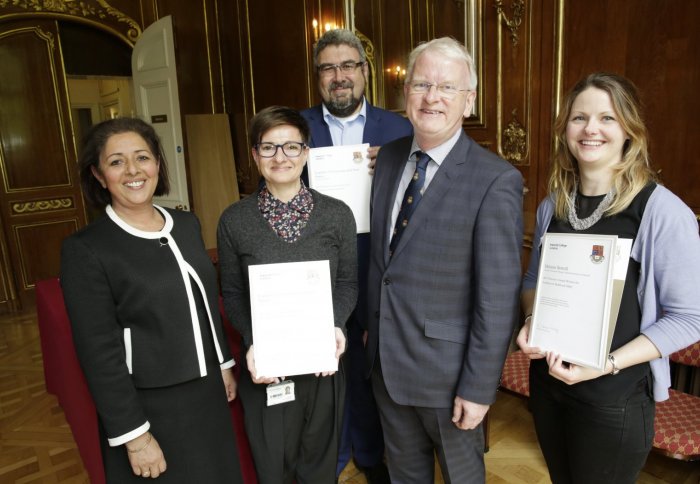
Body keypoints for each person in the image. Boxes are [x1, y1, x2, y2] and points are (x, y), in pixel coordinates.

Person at [517, 72, 700, 483]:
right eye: (579, 118)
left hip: (613, 397)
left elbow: (690, 318)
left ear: (629, 130)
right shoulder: (553, 205)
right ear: (566, 128)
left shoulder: (662, 212)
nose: (591, 129)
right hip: (549, 387)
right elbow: (532, 282)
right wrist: (532, 319)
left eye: (607, 118)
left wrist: (606, 364)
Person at [366, 37, 524, 483]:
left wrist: (478, 388)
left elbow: (497, 299)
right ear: (405, 94)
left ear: (468, 101)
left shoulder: (496, 180)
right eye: (421, 84)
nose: (432, 97)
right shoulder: (391, 158)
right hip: (385, 363)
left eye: (447, 88)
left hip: (448, 377)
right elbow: (385, 264)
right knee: (403, 475)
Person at [60, 117, 243, 483]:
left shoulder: (186, 224)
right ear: (98, 175)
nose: (133, 170)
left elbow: (206, 300)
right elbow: (98, 351)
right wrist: (135, 435)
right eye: (116, 162)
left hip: (206, 394)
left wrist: (223, 364)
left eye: (142, 157)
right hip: (150, 408)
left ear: (158, 163)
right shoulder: (86, 249)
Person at [217, 105, 358, 484]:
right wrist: (252, 341)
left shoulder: (337, 215)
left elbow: (347, 283)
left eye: (291, 147)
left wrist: (335, 325)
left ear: (306, 153)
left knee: (318, 465)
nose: (280, 157)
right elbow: (231, 292)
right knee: (272, 466)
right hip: (266, 366)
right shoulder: (234, 220)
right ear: (254, 155)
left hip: (321, 363)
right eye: (269, 147)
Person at [300, 28, 412, 482]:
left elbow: (421, 197)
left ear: (365, 72)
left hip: (378, 266)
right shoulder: (296, 127)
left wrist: (395, 163)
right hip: (316, 268)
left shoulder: (399, 128)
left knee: (370, 368)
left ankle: (370, 455)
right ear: (318, 77)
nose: (339, 76)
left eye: (348, 65)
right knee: (324, 364)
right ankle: (332, 453)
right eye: (329, 68)